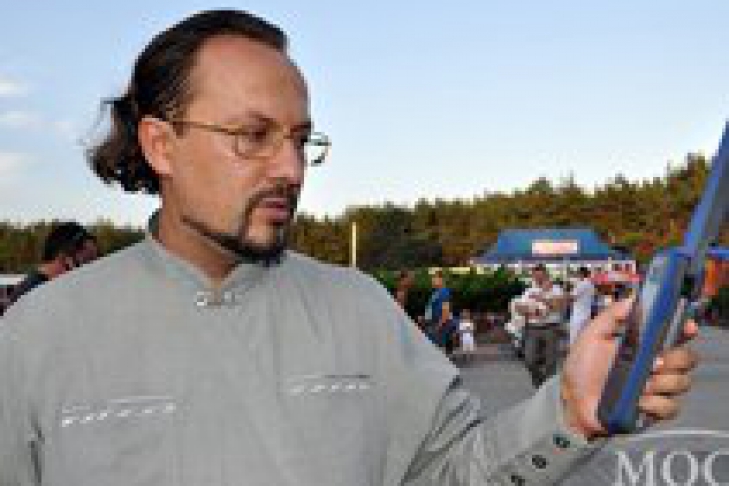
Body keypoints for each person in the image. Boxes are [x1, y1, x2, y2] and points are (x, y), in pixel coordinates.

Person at [0, 10, 698, 486]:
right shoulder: (38, 335)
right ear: (161, 144)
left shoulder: (360, 309)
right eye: (253, 136)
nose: (290, 169)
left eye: (301, 140)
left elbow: (453, 472)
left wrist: (569, 412)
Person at [5, 221, 99, 308]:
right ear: (65, 257)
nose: (91, 269)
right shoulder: (31, 294)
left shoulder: (56, 290)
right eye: (88, 261)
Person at [513, 264, 565, 387]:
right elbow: (519, 308)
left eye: (540, 276)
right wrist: (530, 311)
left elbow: (558, 306)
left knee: (550, 362)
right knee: (529, 360)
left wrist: (541, 297)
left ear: (546, 275)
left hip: (550, 328)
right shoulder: (529, 290)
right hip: (532, 328)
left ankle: (548, 389)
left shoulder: (556, 289)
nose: (538, 279)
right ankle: (540, 383)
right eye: (535, 277)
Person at [424, 269, 456, 354]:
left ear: (442, 280)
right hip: (435, 324)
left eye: (435, 278)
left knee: (437, 351)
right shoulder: (436, 292)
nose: (432, 280)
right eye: (432, 278)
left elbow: (446, 311)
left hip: (441, 326)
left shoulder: (444, 292)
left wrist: (438, 326)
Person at [564, 266, 596, 346]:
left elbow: (572, 297)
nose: (576, 275)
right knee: (584, 340)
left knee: (574, 340)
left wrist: (565, 293)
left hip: (578, 317)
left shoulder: (581, 284)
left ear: (581, 274)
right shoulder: (591, 284)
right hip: (586, 315)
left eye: (577, 273)